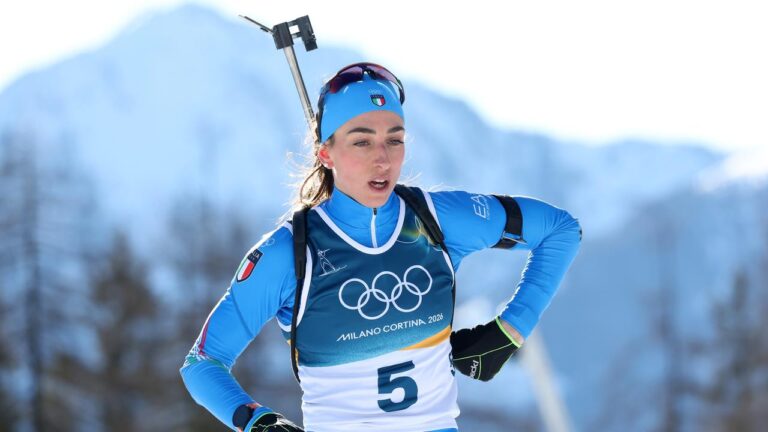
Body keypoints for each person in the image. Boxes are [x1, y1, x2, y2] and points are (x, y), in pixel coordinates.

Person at [180, 62, 582, 432]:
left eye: (395, 139)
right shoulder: (290, 253)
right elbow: (202, 364)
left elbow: (560, 230)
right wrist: (257, 422)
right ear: (325, 153)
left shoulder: (437, 220)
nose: (383, 159)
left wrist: (510, 330)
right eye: (361, 142)